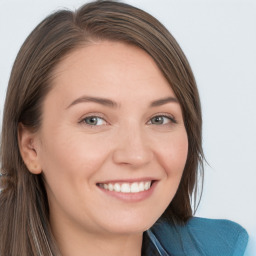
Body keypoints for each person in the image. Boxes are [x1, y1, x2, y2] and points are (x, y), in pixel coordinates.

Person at [0, 1, 248, 255]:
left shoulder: (227, 248)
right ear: (30, 147)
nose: (136, 154)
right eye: (93, 120)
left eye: (159, 119)